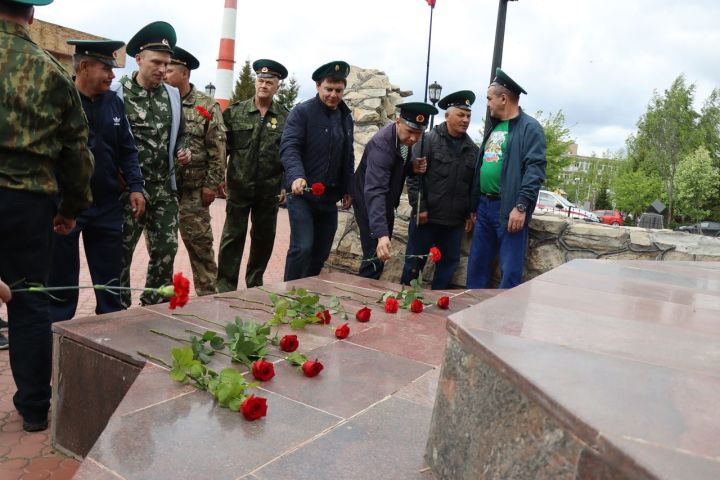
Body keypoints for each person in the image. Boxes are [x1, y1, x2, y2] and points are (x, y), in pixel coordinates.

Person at [0, 0, 94, 432]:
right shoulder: (54, 73)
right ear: (32, 15)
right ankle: (35, 409)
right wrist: (71, 209)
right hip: (28, 204)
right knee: (29, 301)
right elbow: (77, 151)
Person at [48, 39, 145, 322]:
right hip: (65, 205)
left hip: (106, 205)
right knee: (61, 283)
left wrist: (136, 187)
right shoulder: (59, 100)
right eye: (106, 69)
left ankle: (110, 334)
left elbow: (127, 149)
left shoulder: (114, 102)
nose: (112, 76)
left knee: (109, 284)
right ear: (85, 66)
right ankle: (60, 332)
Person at [113, 21, 191, 306]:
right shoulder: (117, 92)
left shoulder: (171, 95)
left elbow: (181, 134)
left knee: (167, 249)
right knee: (121, 252)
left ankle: (153, 305)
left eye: (167, 64)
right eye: (156, 62)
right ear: (138, 59)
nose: (162, 69)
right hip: (128, 190)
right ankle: (117, 309)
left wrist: (184, 151)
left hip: (163, 187)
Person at [466, 68, 546, 288]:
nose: (488, 104)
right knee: (477, 267)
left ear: (503, 99)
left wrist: (521, 206)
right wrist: (474, 205)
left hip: (508, 209)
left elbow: (535, 170)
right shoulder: (494, 127)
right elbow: (482, 166)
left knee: (510, 272)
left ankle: (503, 321)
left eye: (490, 99)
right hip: (484, 207)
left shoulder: (530, 128)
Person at [217, 59, 288, 291]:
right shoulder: (235, 112)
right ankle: (225, 286)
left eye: (269, 82)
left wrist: (285, 184)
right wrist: (219, 177)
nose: (264, 85)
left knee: (263, 240)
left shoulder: (286, 118)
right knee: (232, 238)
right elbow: (222, 149)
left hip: (269, 191)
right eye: (260, 80)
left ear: (277, 86)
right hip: (238, 187)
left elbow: (290, 154)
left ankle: (254, 283)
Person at [280, 60, 354, 281]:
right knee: (302, 247)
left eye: (338, 90)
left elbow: (347, 154)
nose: (333, 95)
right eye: (328, 89)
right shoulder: (302, 112)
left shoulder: (345, 116)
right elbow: (289, 146)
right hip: (302, 194)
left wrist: (348, 187)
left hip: (329, 197)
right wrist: (296, 175)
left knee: (320, 253)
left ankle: (306, 296)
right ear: (318, 86)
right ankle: (287, 295)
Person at [401, 91, 479, 289]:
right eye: (461, 115)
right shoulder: (427, 141)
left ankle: (436, 310)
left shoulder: (473, 149)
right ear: (447, 115)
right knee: (413, 265)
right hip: (427, 218)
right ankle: (405, 304)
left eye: (468, 115)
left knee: (448, 267)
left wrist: (470, 212)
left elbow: (472, 184)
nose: (465, 120)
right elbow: (414, 178)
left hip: (454, 223)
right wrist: (420, 207)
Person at [351, 102, 438, 279]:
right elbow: (375, 190)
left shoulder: (403, 141)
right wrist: (381, 233)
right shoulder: (382, 146)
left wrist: (412, 168)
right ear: (398, 121)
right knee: (374, 256)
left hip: (385, 202)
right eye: (410, 132)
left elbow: (396, 168)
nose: (414, 138)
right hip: (369, 203)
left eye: (419, 133)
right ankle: (362, 297)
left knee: (378, 258)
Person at [165, 47, 226, 296]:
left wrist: (211, 184)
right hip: (164, 190)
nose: (164, 73)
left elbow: (218, 148)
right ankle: (160, 299)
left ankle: (208, 297)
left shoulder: (206, 105)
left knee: (200, 247)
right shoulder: (159, 100)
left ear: (184, 73)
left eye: (170, 70)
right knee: (161, 249)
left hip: (193, 191)